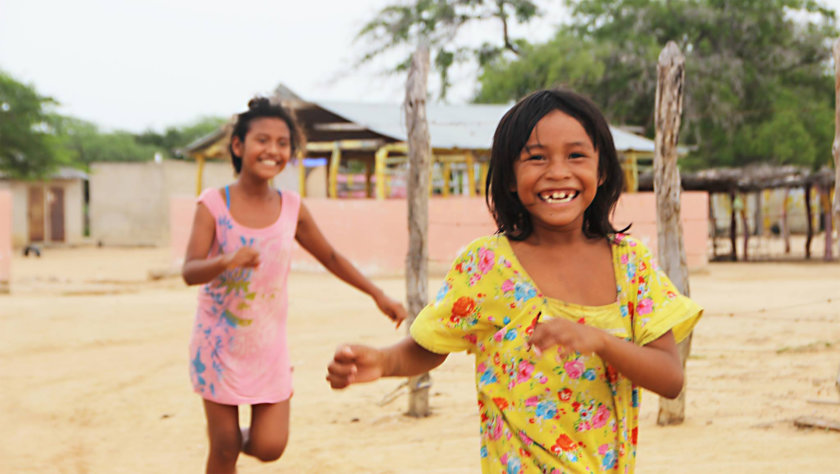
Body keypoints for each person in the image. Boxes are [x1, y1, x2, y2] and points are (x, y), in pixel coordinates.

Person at [326, 88, 702, 473]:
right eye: (536, 158)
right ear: (508, 177)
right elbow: (434, 342)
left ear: (601, 170)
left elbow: (670, 378)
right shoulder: (487, 265)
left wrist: (602, 342)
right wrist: (385, 360)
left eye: (576, 155)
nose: (557, 171)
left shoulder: (630, 265)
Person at [182, 97, 407, 474]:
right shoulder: (214, 205)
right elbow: (190, 271)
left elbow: (331, 257)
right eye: (262, 140)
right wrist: (226, 260)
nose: (272, 150)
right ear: (238, 146)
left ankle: (235, 440)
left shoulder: (291, 207)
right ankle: (228, 444)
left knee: (271, 447)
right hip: (218, 344)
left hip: (267, 347)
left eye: (282, 143)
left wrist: (377, 293)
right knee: (223, 449)